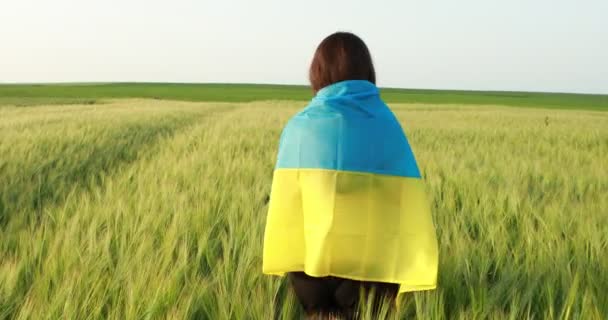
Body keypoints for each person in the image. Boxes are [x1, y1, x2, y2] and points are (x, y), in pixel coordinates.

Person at [263, 32, 439, 319]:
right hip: (371, 280)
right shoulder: (387, 126)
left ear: (317, 72)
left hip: (310, 274)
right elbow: (403, 204)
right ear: (367, 71)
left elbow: (287, 206)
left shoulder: (300, 128)